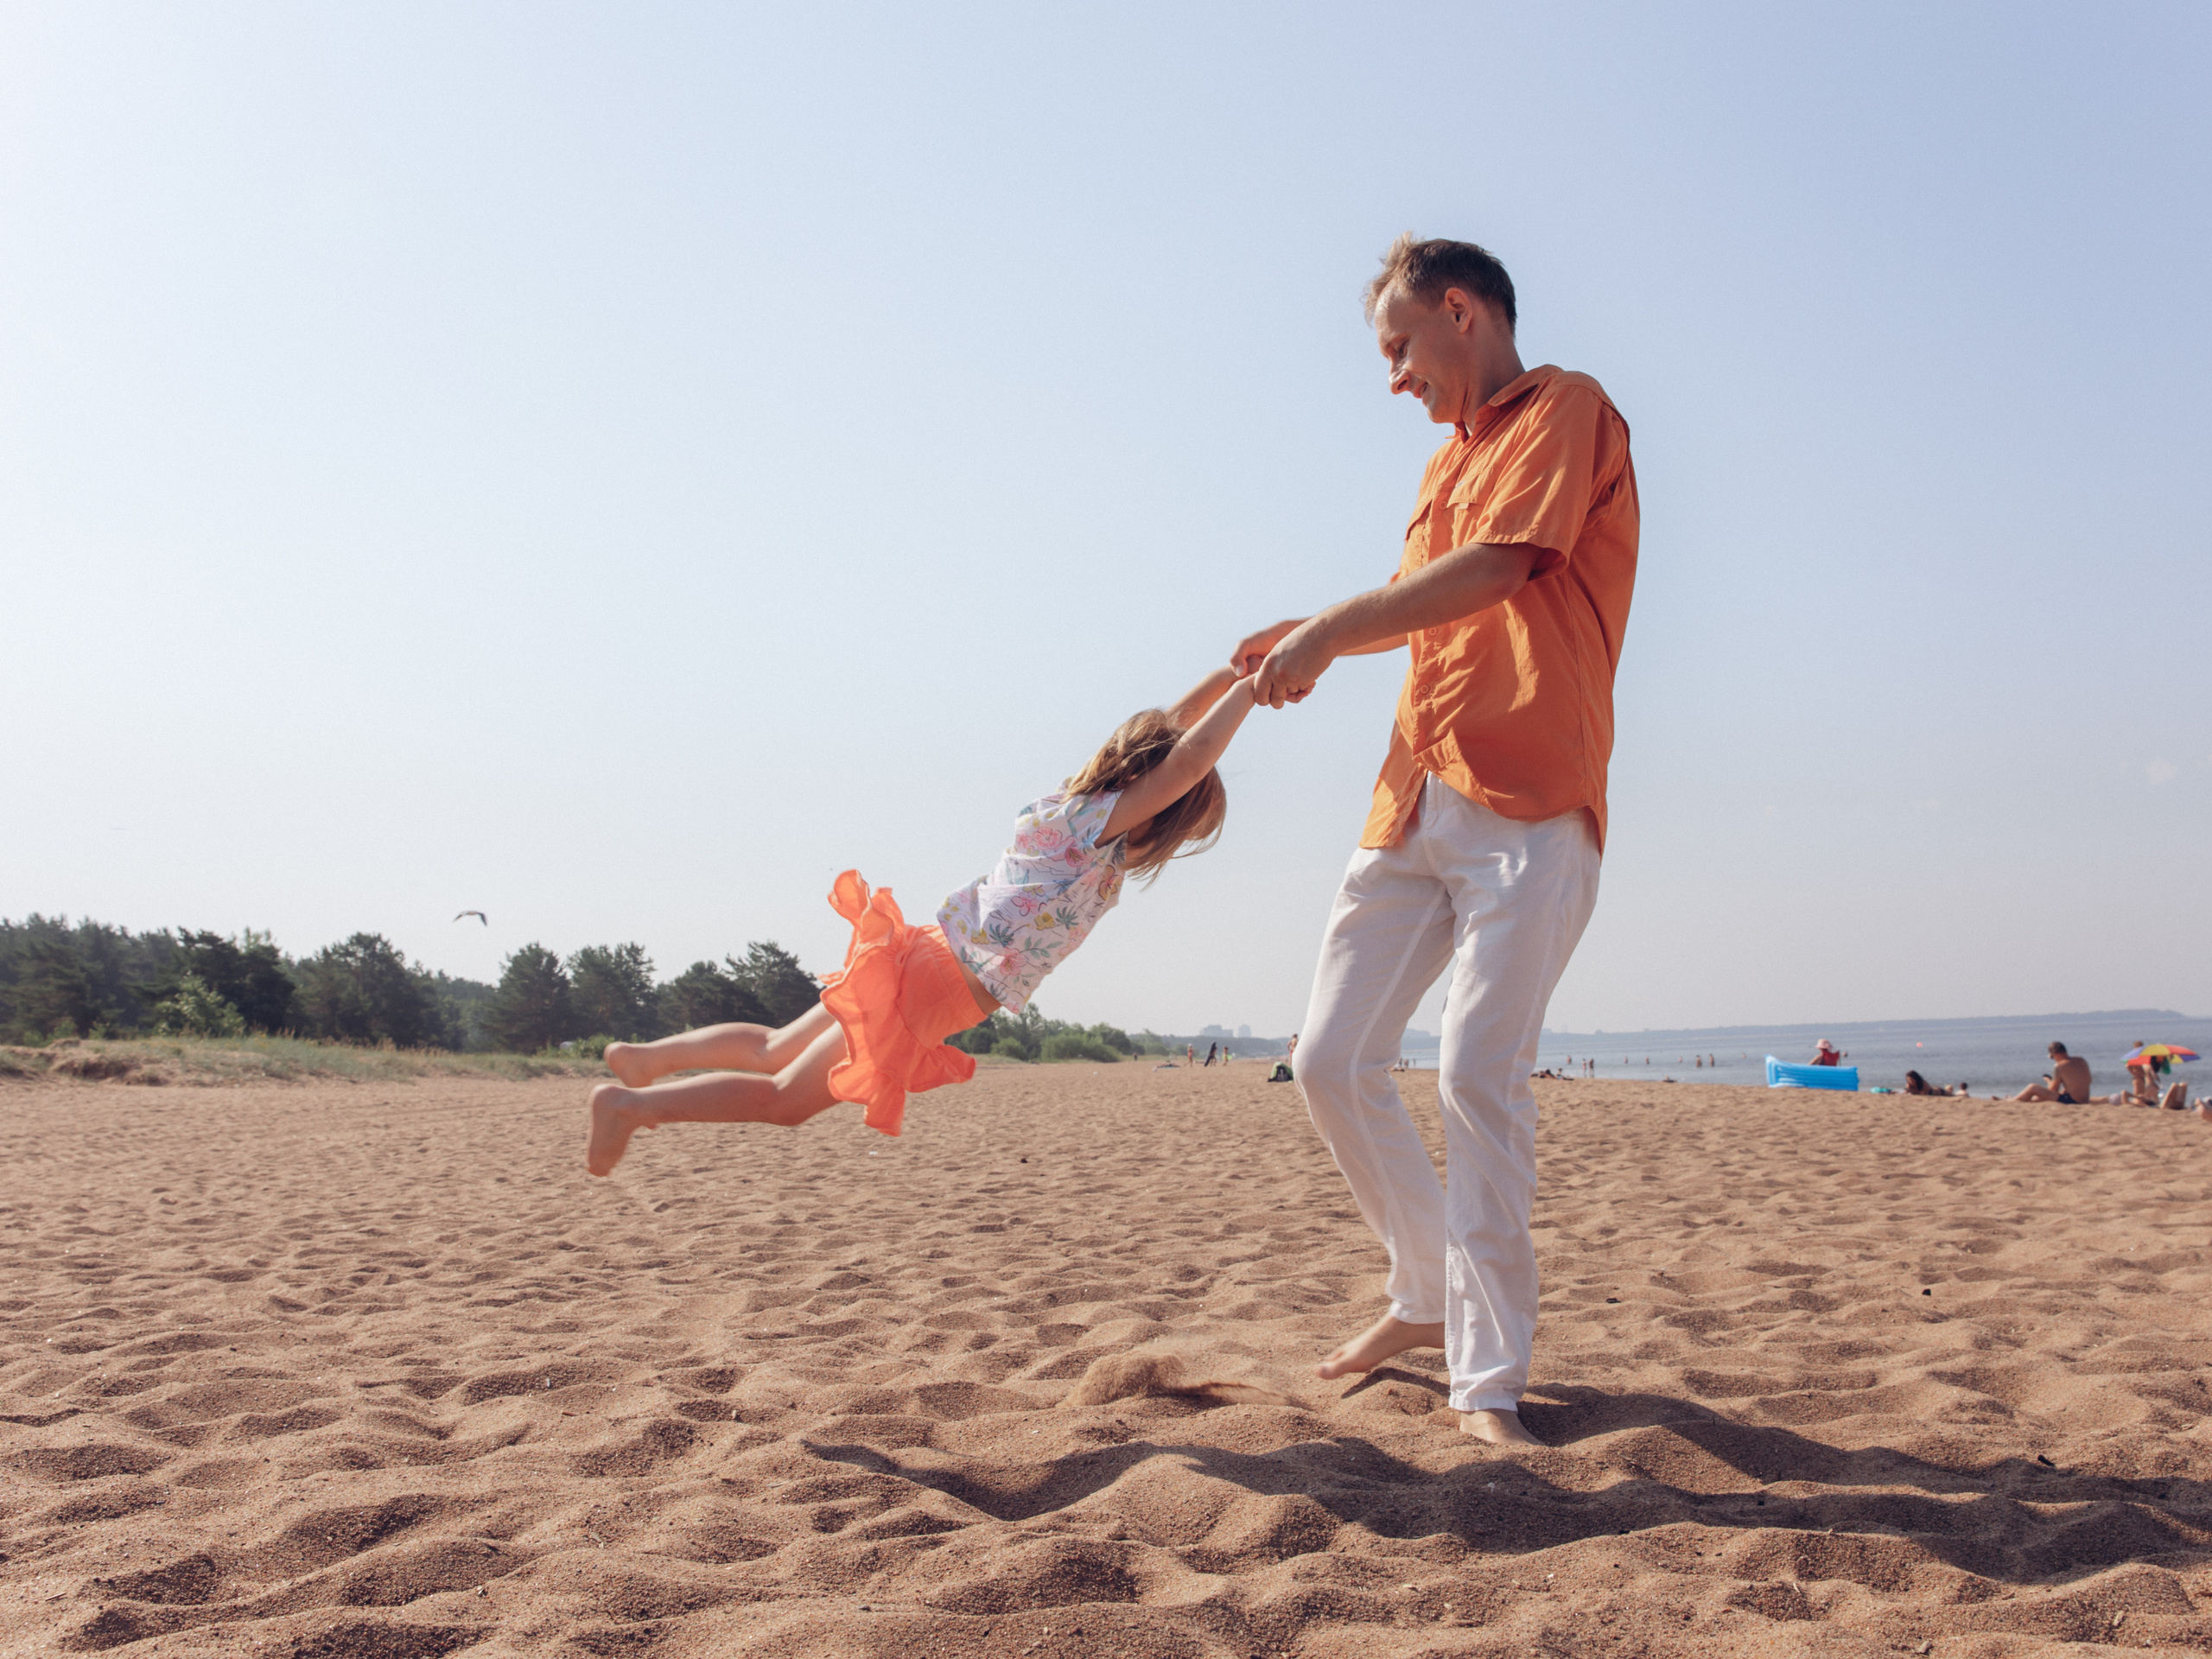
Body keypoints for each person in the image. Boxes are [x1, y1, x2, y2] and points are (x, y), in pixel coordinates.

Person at [1236, 235, 1637, 1449]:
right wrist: (1314, 638)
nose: (1394, 377)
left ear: (1460, 310)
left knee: (1474, 1074)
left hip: (1531, 797)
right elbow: (1427, 608)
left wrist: (1329, 629)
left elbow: (1499, 569)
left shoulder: (1565, 409)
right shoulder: (1437, 467)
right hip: (1411, 797)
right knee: (1328, 1058)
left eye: (1400, 346)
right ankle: (1423, 1290)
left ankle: (1488, 1383)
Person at [583, 668, 1263, 1174]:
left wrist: (1228, 676)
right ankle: (631, 1107)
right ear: (1159, 809)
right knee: (786, 1100)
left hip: (926, 952)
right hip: (936, 987)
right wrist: (1255, 689)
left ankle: (649, 1060)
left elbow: (1167, 737)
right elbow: (1188, 758)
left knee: (772, 1048)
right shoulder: (1100, 831)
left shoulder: (1072, 802)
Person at [2011, 1041, 2091, 1105]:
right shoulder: (2081, 1060)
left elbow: (2053, 1090)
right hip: (2085, 1100)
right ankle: (2018, 1100)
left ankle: (2012, 1102)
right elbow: (2087, 1081)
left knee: (2032, 1087)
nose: (2054, 1059)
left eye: (2052, 1057)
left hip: (2073, 1102)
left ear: (2056, 1055)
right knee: (2038, 1098)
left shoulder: (2059, 1066)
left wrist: (2048, 1081)